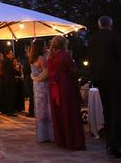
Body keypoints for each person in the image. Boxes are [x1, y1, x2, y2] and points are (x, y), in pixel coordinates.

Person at [88, 16, 121, 158]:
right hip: (115, 78)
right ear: (111, 24)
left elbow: (90, 59)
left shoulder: (92, 39)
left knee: (107, 110)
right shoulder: (115, 36)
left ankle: (109, 143)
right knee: (117, 110)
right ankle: (115, 145)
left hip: (99, 79)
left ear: (99, 25)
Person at [47, 36, 85, 150]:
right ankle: (73, 141)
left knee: (60, 113)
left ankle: (62, 140)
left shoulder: (51, 57)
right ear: (64, 44)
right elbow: (73, 70)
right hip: (65, 86)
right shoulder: (64, 55)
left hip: (54, 87)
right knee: (70, 112)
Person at [29, 39, 54, 143]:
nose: (46, 47)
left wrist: (34, 78)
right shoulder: (41, 58)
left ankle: (41, 135)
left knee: (39, 109)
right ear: (40, 47)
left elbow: (34, 74)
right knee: (46, 110)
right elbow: (46, 74)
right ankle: (48, 134)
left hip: (36, 86)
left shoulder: (32, 58)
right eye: (44, 45)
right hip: (43, 86)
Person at [2, 50, 17, 116]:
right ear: (7, 54)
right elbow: (10, 71)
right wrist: (15, 68)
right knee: (10, 96)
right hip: (9, 81)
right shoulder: (7, 61)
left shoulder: (5, 61)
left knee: (9, 96)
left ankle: (9, 110)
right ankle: (10, 111)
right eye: (11, 53)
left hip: (7, 81)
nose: (12, 55)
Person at [23, 47, 34, 117]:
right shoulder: (30, 60)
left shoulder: (29, 60)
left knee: (32, 96)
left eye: (27, 51)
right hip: (30, 80)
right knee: (32, 96)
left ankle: (31, 111)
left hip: (30, 80)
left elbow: (25, 70)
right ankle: (32, 111)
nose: (26, 52)